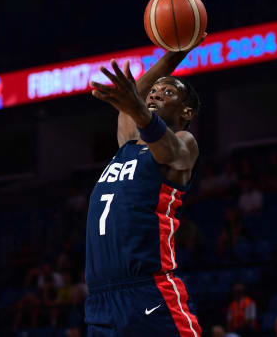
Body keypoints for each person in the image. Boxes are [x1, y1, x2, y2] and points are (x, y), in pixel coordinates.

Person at [84, 41, 205, 336]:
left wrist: (139, 108)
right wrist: (176, 53)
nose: (155, 94)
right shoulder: (128, 144)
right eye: (154, 91)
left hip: (148, 291)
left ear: (186, 112)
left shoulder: (184, 142)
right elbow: (134, 100)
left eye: (168, 92)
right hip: (100, 300)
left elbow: (168, 149)